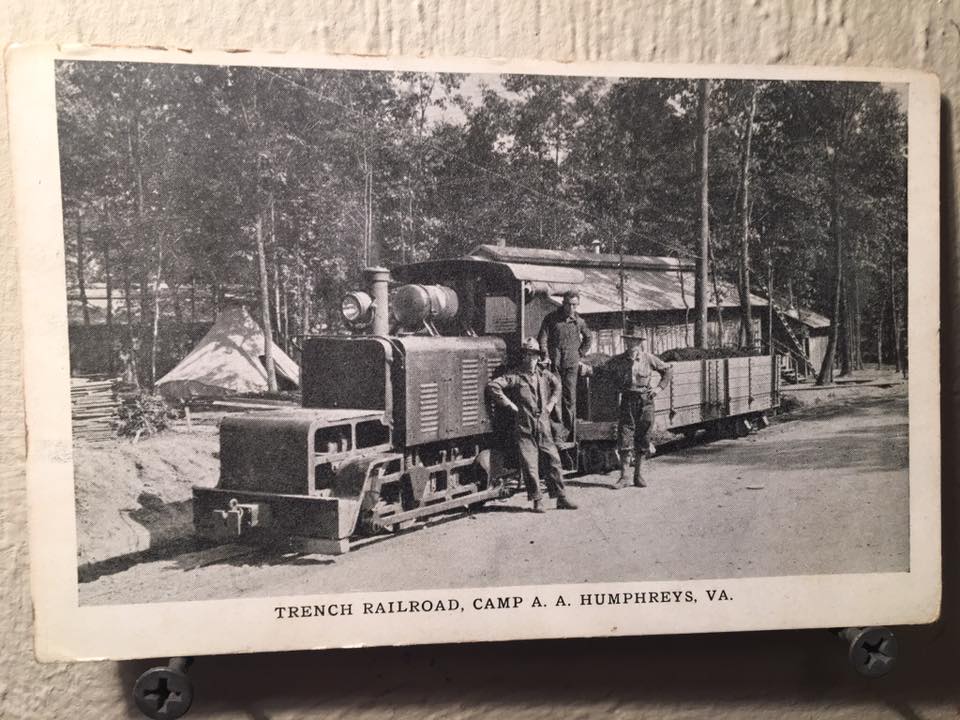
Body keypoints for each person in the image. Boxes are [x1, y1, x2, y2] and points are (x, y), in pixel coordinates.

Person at [487, 337, 578, 513]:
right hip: (524, 426)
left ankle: (561, 497)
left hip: (543, 424)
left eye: (534, 355)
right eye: (527, 355)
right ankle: (537, 500)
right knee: (530, 465)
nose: (531, 359)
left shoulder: (544, 375)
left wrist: (551, 403)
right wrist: (509, 405)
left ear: (538, 357)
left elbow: (558, 385)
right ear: (523, 357)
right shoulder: (515, 376)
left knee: (553, 461)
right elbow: (493, 386)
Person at [612, 331, 673, 489]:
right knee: (625, 436)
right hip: (627, 401)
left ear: (640, 343)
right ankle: (624, 477)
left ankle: (638, 476)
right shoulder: (619, 360)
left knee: (643, 438)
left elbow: (667, 370)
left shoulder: (649, 358)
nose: (632, 345)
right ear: (626, 343)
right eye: (629, 342)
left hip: (645, 402)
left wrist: (659, 389)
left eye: (635, 342)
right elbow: (603, 370)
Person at [537, 289, 592, 439]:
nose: (571, 308)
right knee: (555, 395)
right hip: (554, 364)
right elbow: (543, 337)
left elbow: (588, 338)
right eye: (569, 304)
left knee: (570, 398)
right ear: (563, 303)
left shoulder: (579, 322)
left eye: (575, 305)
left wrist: (579, 354)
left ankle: (569, 432)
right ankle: (556, 431)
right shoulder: (551, 318)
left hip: (571, 365)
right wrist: (545, 354)